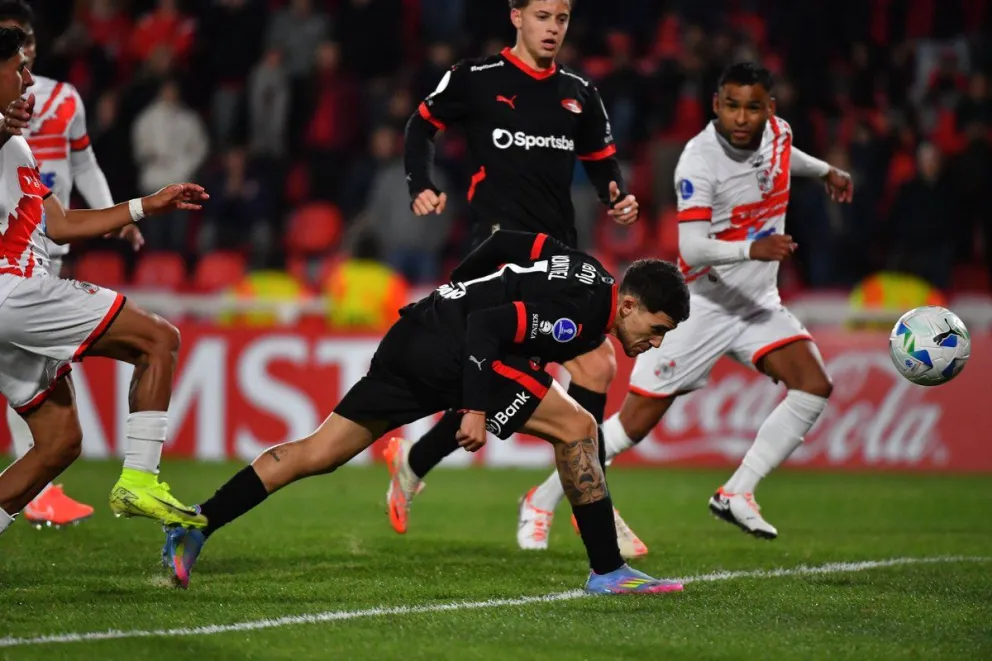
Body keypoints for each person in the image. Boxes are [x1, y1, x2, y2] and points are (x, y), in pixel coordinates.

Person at [161, 230, 690, 594]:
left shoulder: (588, 270)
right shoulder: (582, 316)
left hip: (416, 333)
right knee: (577, 426)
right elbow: (487, 327)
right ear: (629, 306)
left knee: (319, 453)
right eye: (657, 329)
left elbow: (506, 243)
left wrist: (454, 285)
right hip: (451, 347)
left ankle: (198, 524)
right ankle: (607, 570)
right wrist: (475, 408)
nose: (656, 342)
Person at [518, 62, 854, 544]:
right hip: (702, 307)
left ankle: (738, 491)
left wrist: (826, 172)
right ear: (716, 105)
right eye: (732, 106)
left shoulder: (779, 133)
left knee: (813, 383)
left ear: (770, 109)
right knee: (631, 426)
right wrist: (752, 249)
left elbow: (784, 157)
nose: (742, 117)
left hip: (757, 302)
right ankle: (542, 497)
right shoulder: (699, 160)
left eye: (753, 107)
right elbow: (692, 248)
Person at [396, 0, 647, 558]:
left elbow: (602, 163)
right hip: (499, 252)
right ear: (516, 16)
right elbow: (420, 125)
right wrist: (420, 184)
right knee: (590, 365)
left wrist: (617, 196)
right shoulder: (475, 77)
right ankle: (590, 504)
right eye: (542, 16)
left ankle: (416, 459)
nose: (553, 28)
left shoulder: (580, 92)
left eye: (562, 18)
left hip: (558, 255)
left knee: (533, 380)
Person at [0, 25, 210, 539]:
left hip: (13, 304)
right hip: (15, 291)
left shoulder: (18, 147)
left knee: (58, 443)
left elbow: (61, 223)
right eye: (19, 68)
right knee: (158, 339)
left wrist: (145, 205)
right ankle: (139, 480)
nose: (29, 79)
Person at [0, 0, 144, 528]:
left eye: (26, 39)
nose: (23, 53)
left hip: (43, 251)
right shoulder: (11, 116)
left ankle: (39, 486)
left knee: (44, 399)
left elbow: (82, 163)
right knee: (152, 340)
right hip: (12, 268)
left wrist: (122, 214)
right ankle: (49, 487)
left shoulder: (61, 99)